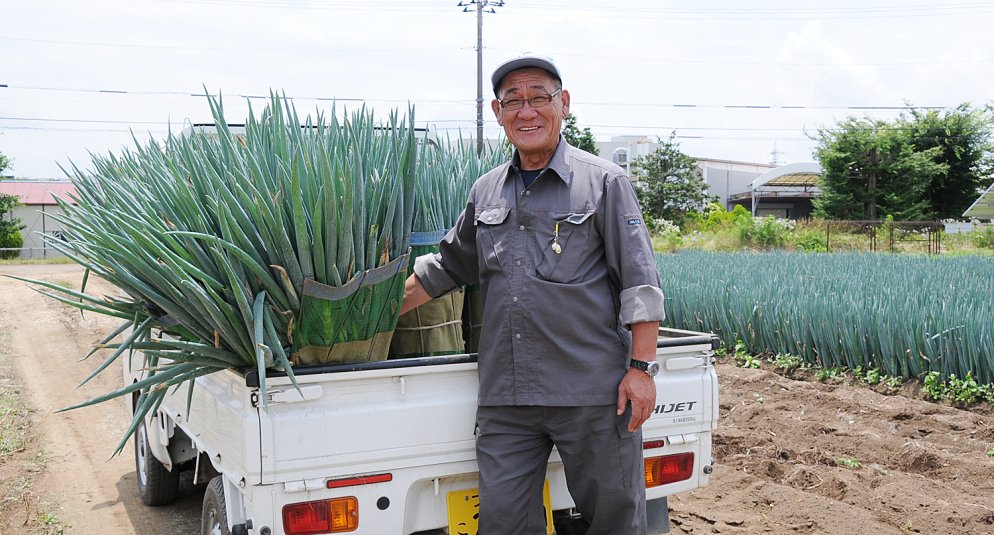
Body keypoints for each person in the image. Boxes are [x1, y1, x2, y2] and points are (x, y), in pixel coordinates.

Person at [400, 53, 665, 535]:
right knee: (502, 523)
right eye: (513, 101)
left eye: (538, 98)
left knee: (615, 521)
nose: (526, 111)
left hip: (591, 392)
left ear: (562, 104)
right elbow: (447, 267)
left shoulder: (604, 182)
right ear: (498, 113)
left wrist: (642, 370)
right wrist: (370, 313)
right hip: (508, 398)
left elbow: (640, 281)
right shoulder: (487, 192)